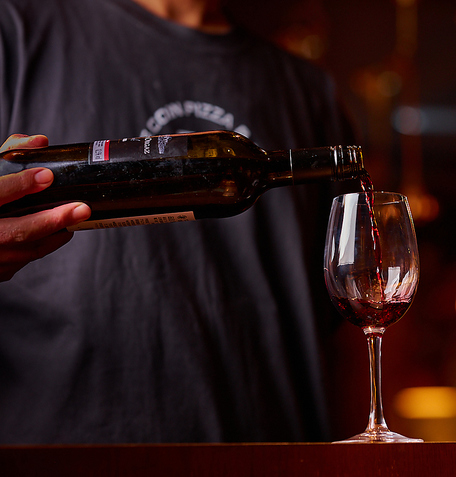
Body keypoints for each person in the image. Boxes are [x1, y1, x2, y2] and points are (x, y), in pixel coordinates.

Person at [0, 0, 355, 443]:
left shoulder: (308, 90)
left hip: (276, 455)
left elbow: (347, 324)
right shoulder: (14, 33)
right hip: (67, 456)